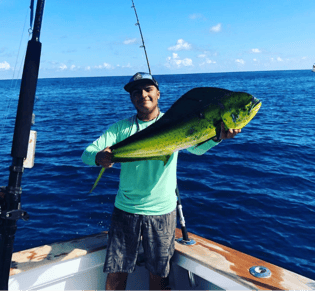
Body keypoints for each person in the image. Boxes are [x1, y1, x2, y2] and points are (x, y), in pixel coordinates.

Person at [81, 72, 241, 291]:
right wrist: (99, 157)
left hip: (162, 211)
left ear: (158, 93)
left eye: (148, 89)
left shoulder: (175, 122)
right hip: (125, 210)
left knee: (158, 275)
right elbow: (87, 153)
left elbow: (196, 148)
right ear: (131, 98)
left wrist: (217, 138)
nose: (142, 95)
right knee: (116, 273)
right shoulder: (120, 129)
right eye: (136, 92)